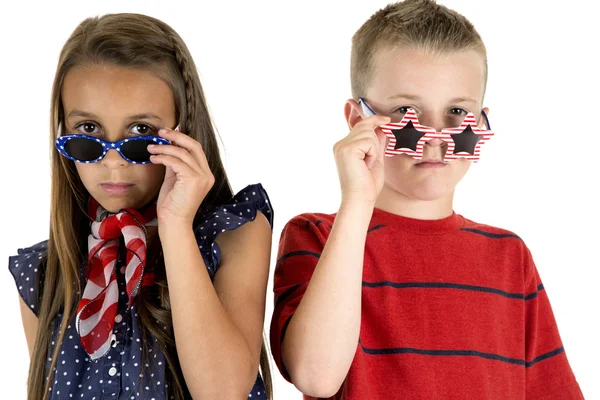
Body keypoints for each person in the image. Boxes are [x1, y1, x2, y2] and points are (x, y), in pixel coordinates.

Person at [269, 1, 583, 399]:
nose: (435, 138)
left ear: (481, 122)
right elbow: (315, 375)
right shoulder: (317, 236)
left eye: (457, 111)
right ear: (357, 122)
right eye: (406, 112)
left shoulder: (510, 256)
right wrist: (357, 204)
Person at [9, 13, 272, 400]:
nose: (112, 162)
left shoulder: (233, 232)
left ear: (182, 129)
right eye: (88, 131)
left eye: (141, 133)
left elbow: (223, 392)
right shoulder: (44, 273)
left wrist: (176, 226)